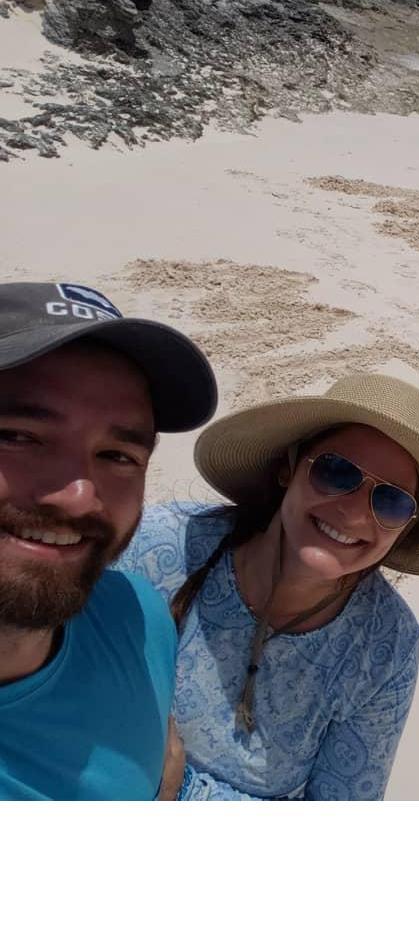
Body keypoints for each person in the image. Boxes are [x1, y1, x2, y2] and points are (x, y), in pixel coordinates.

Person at [118, 372, 419, 800]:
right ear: (289, 467)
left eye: (390, 501)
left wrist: (177, 789)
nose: (353, 514)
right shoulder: (160, 548)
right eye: (338, 473)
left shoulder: (384, 648)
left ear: (405, 529)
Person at [0, 281, 217, 800]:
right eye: (17, 436)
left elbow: (158, 765)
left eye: (119, 455)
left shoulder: (139, 620)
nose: (78, 496)